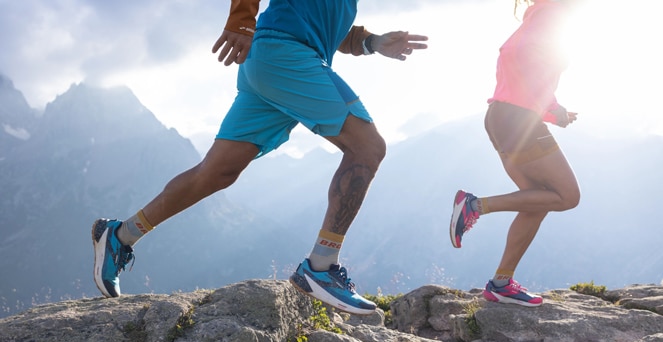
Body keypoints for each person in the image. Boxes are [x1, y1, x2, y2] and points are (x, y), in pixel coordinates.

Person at [92, 0, 428, 315]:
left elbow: (329, 27)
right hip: (287, 55)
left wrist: (373, 42)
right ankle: (321, 267)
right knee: (367, 148)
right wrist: (241, 21)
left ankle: (120, 235)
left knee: (217, 172)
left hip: (271, 61)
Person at [450, 0, 580, 307]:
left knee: (537, 197)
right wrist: (550, 106)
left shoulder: (539, 16)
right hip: (517, 120)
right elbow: (521, 57)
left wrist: (553, 110)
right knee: (567, 196)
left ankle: (501, 283)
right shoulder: (553, 13)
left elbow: (521, 64)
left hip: (504, 116)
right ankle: (475, 205)